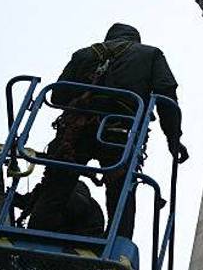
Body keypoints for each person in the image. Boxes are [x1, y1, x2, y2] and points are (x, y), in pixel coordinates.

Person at [28, 22, 188, 240]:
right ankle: (116, 245)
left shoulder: (84, 55)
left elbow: (58, 95)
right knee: (121, 188)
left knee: (56, 185)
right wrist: (173, 138)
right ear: (134, 40)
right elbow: (166, 96)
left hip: (73, 134)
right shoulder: (150, 55)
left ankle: (34, 236)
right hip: (117, 133)